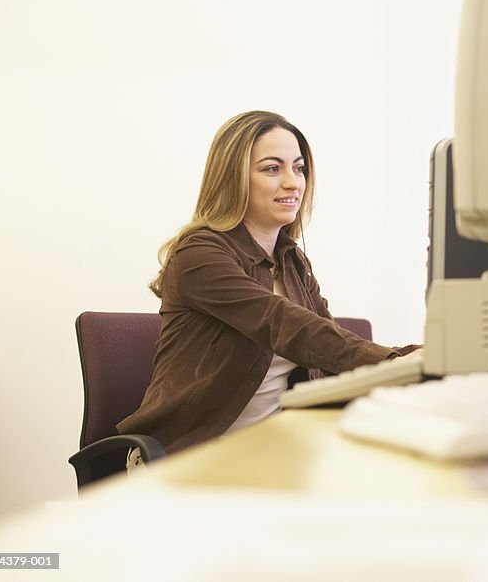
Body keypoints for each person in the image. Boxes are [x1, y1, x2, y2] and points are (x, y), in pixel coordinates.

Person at [118, 110, 419, 462]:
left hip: (269, 453)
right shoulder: (199, 254)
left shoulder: (292, 261)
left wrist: (422, 360)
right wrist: (394, 362)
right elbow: (286, 326)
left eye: (299, 168)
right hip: (185, 457)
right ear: (233, 178)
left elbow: (327, 343)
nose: (293, 182)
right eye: (272, 168)